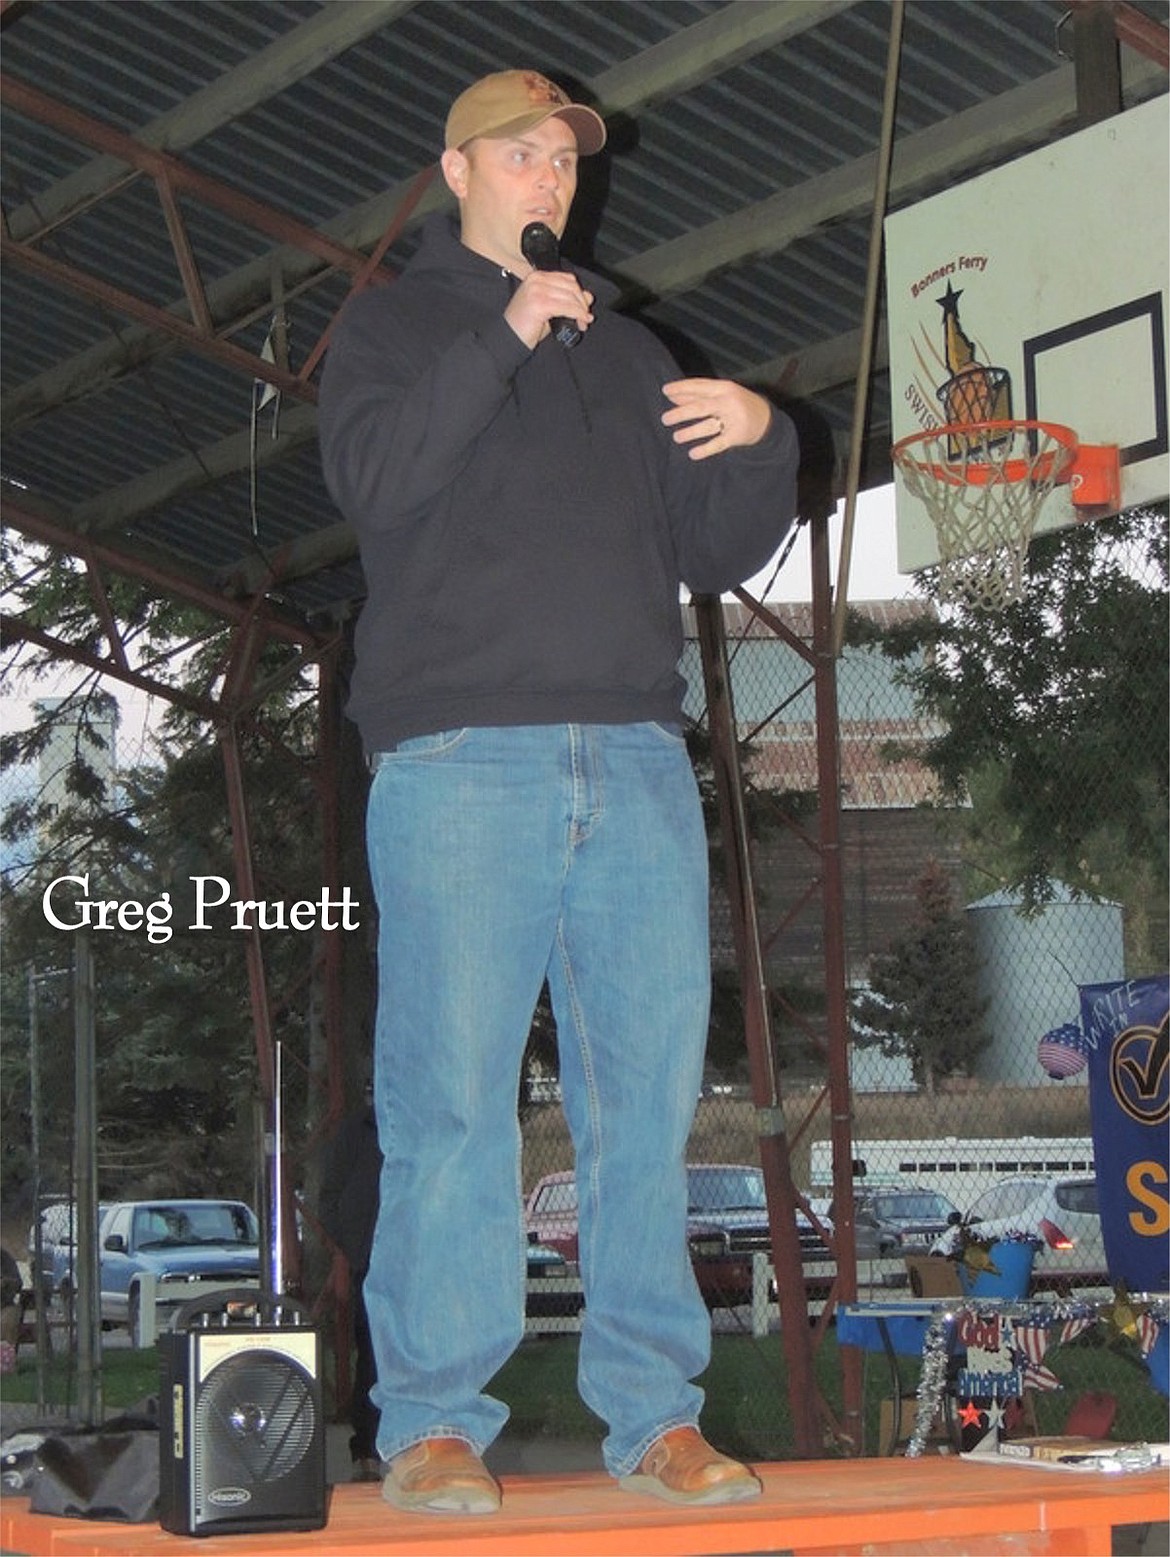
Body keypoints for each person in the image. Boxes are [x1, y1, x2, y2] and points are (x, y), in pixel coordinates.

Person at [318, 68, 799, 1516]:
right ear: (454, 168)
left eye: (563, 161)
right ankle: (432, 1424)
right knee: (453, 1106)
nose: (549, 180)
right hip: (463, 758)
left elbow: (715, 550)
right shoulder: (395, 328)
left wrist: (764, 438)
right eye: (519, 155)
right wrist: (506, 334)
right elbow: (374, 482)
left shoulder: (629, 347)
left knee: (641, 1111)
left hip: (637, 760)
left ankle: (655, 1416)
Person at [318, 1082, 383, 1482]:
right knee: (372, 1360)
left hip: (416, 1261)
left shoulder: (421, 1125)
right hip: (371, 1263)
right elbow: (331, 1197)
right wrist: (356, 1248)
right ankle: (368, 1450)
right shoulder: (355, 1132)